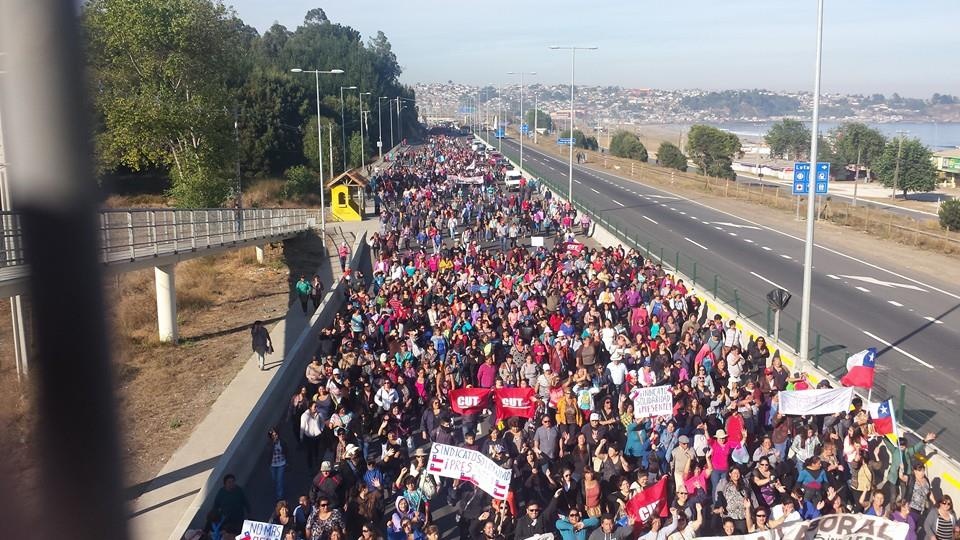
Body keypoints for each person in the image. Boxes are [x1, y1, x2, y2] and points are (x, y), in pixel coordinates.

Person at [267, 428, 287, 502]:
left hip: (281, 463)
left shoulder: (282, 442)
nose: (275, 437)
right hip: (273, 464)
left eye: (276, 435)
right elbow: (268, 452)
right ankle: (279, 490)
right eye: (273, 435)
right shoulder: (270, 444)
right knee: (274, 479)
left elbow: (286, 451)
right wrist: (273, 444)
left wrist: (288, 461)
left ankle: (280, 497)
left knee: (279, 480)